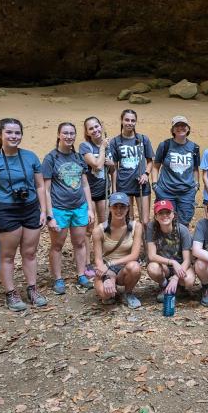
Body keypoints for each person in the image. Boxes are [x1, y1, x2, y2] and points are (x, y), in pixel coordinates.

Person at [0, 118, 48, 311]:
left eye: (17, 133)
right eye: (9, 132)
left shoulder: (30, 157)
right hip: (5, 210)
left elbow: (40, 185)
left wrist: (43, 210)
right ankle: (11, 293)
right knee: (8, 255)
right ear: (0, 134)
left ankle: (32, 289)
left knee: (30, 252)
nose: (13, 136)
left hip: (30, 207)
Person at [42, 122, 95, 294]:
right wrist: (50, 215)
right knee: (57, 245)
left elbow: (85, 185)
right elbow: (46, 190)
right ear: (58, 135)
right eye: (65, 133)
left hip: (79, 207)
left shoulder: (79, 157)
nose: (69, 136)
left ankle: (81, 275)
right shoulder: (51, 158)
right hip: (59, 208)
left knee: (79, 243)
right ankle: (57, 279)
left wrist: (89, 208)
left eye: (72, 133)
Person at [92, 192, 143, 308]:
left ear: (128, 208)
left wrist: (111, 264)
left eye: (122, 207)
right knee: (105, 295)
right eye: (115, 206)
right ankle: (110, 289)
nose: (119, 210)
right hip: (106, 269)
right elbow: (98, 260)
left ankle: (128, 293)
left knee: (135, 267)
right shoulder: (99, 230)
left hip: (125, 268)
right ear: (109, 207)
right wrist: (107, 275)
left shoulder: (136, 226)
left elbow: (134, 255)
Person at [80, 116, 114, 278]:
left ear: (101, 126)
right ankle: (87, 262)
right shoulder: (85, 146)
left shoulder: (109, 145)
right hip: (89, 193)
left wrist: (112, 164)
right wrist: (102, 149)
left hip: (104, 191)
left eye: (97, 126)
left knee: (104, 226)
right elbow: (97, 164)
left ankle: (102, 259)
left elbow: (112, 169)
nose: (95, 130)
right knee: (89, 228)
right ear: (87, 132)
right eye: (91, 128)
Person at [151, 115, 200, 226]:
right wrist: (155, 185)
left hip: (186, 192)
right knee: (165, 222)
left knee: (184, 222)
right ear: (172, 129)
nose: (180, 128)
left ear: (188, 128)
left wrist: (196, 186)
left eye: (183, 125)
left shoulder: (194, 148)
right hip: (166, 191)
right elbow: (155, 166)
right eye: (177, 126)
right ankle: (166, 243)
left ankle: (182, 243)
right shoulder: (165, 145)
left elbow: (195, 169)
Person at [109, 109, 154, 225]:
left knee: (145, 221)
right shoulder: (115, 142)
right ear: (122, 121)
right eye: (127, 120)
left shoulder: (143, 139)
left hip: (141, 184)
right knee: (129, 219)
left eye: (133, 120)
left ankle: (146, 243)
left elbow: (150, 161)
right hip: (124, 184)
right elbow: (114, 167)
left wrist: (146, 174)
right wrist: (114, 189)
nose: (130, 123)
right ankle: (133, 243)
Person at [146, 200, 195, 303]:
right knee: (152, 267)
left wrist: (176, 278)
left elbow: (187, 260)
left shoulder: (182, 230)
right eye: (161, 213)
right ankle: (164, 285)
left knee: (189, 281)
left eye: (168, 212)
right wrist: (172, 262)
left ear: (173, 215)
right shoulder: (152, 228)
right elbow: (152, 256)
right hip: (164, 265)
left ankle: (178, 286)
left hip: (181, 265)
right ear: (156, 216)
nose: (165, 216)